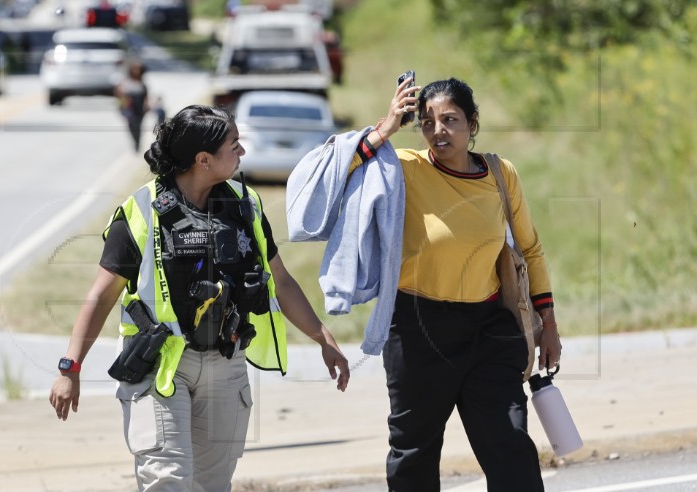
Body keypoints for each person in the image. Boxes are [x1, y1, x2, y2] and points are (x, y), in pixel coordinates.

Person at [49, 104, 350, 492]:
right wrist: (69, 368)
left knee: (211, 486)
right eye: (234, 144)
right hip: (159, 367)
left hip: (226, 365)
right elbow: (100, 296)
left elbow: (282, 282)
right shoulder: (141, 211)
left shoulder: (247, 205)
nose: (242, 152)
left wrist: (322, 338)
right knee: (167, 481)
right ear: (203, 160)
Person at [288, 77, 562, 491]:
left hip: (490, 329)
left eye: (450, 120)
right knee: (413, 452)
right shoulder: (403, 166)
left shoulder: (501, 174)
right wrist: (385, 128)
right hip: (418, 331)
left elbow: (532, 249)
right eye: (428, 122)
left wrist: (549, 324)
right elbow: (324, 179)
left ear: (472, 123)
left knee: (509, 445)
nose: (439, 131)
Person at [115, 61, 149, 152]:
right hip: (130, 107)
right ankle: (135, 141)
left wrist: (147, 105)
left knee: (138, 126)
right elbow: (119, 93)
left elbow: (146, 96)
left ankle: (138, 143)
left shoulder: (142, 83)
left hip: (139, 107)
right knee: (131, 125)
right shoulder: (126, 81)